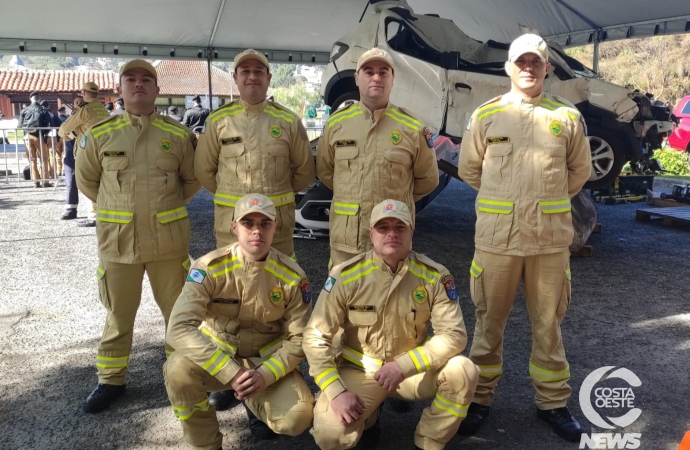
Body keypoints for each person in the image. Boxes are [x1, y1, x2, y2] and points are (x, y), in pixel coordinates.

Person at [456, 34, 592, 442]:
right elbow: (470, 170)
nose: (528, 67)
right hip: (496, 240)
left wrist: (543, 201)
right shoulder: (486, 116)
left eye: (536, 61)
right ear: (508, 67)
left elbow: (579, 172)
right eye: (521, 61)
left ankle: (552, 403)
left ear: (547, 67)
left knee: (548, 326)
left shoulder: (567, 117)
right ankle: (479, 400)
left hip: (549, 242)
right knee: (488, 324)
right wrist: (506, 200)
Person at [75, 60, 201, 413]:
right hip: (119, 243)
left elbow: (191, 181)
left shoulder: (177, 136)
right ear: (121, 89)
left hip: (167, 242)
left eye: (147, 79)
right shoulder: (99, 135)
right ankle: (111, 380)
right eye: (131, 79)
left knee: (178, 314)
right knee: (119, 314)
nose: (139, 84)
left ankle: (182, 376)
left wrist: (163, 207)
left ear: (158, 90)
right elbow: (87, 181)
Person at [304, 199, 479, 450]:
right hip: (361, 371)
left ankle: (429, 441)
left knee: (464, 371)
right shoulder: (344, 276)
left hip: (410, 373)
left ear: (412, 231)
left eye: (400, 227)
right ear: (371, 234)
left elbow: (454, 335)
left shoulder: (434, 276)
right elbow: (315, 337)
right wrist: (336, 391)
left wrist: (403, 366)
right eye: (383, 227)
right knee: (330, 436)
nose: (392, 233)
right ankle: (370, 412)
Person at [195, 49, 315, 411]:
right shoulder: (219, 122)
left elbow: (304, 172)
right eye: (244, 71)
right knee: (227, 299)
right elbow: (205, 172)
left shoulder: (288, 122)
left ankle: (272, 370)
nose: (252, 77)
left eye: (259, 71)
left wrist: (272, 204)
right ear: (235, 78)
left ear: (268, 78)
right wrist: (237, 205)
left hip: (276, 229)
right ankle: (229, 374)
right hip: (231, 230)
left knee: (276, 298)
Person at [164, 193, 315, 449]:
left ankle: (252, 398)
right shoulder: (209, 268)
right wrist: (231, 373)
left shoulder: (291, 276)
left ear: (275, 227)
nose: (257, 231)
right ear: (234, 227)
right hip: (220, 358)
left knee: (297, 419)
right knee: (178, 371)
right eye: (248, 223)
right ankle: (206, 444)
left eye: (265, 223)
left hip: (264, 363)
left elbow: (299, 338)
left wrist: (265, 375)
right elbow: (178, 329)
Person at [316, 48, 439, 268]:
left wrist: (399, 197)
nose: (376, 77)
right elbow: (326, 172)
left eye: (384, 72)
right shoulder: (337, 125)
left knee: (392, 299)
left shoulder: (411, 128)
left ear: (393, 79)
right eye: (369, 71)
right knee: (343, 299)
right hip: (347, 241)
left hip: (392, 242)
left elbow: (428, 178)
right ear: (356, 78)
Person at [59, 82, 110, 222]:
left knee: (88, 182)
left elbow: (64, 130)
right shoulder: (104, 110)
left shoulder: (85, 109)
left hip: (86, 151)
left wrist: (70, 134)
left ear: (84, 92)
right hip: (103, 150)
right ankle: (100, 211)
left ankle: (94, 215)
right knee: (99, 182)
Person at [19, 91, 53, 187]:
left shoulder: (24, 110)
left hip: (27, 136)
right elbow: (49, 125)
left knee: (32, 160)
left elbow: (19, 125)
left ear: (30, 99)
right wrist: (45, 134)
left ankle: (36, 181)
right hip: (39, 136)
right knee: (44, 159)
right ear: (39, 99)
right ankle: (45, 181)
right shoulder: (43, 110)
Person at [39, 100, 65, 177]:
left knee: (42, 156)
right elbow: (60, 125)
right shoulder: (53, 114)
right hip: (52, 136)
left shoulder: (39, 113)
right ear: (48, 106)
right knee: (52, 156)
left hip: (41, 136)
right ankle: (53, 174)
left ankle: (42, 173)